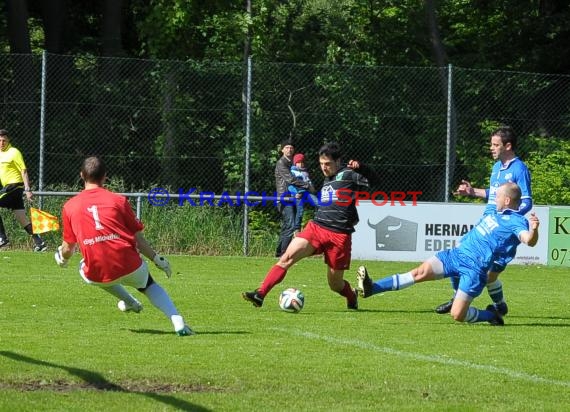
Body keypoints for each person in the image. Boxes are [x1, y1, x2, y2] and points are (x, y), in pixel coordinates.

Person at [356, 182, 539, 326]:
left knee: (458, 315)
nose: (495, 199)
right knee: (418, 273)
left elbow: (528, 240)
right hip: (455, 255)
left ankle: (492, 315)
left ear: (507, 200)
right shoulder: (495, 211)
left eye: (498, 196)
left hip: (474, 269)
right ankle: (373, 288)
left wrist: (534, 230)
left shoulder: (517, 221)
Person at [53, 156, 193, 336]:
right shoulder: (118, 200)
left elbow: (68, 248)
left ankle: (129, 301)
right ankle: (177, 321)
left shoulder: (69, 206)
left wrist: (62, 259)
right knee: (149, 285)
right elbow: (138, 239)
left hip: (98, 271)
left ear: (81, 175)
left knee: (85, 267)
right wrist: (158, 260)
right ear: (105, 176)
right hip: (129, 263)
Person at [243, 142, 378, 310]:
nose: (324, 168)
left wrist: (363, 168)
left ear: (338, 161)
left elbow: (375, 181)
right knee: (287, 257)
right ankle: (260, 294)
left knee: (335, 284)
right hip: (317, 227)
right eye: (321, 164)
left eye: (327, 164)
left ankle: (351, 295)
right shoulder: (328, 179)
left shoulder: (349, 174)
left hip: (339, 236)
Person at [434, 126, 532, 316]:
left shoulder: (519, 169)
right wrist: (472, 192)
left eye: (495, 145)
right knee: (461, 254)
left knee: (489, 273)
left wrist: (506, 217)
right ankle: (458, 297)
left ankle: (497, 305)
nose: (491, 148)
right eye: (492, 144)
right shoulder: (497, 168)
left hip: (500, 228)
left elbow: (527, 201)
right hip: (486, 222)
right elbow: (493, 194)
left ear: (508, 146)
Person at [0, 129, 47, 251]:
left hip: (14, 187)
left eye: (4, 140)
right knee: (22, 218)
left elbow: (23, 170)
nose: (1, 143)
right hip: (9, 189)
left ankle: (2, 238)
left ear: (8, 140)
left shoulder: (14, 152)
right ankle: (40, 243)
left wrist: (27, 189)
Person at [274, 139, 311, 257]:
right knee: (290, 224)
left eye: (291, 147)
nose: (289, 149)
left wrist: (300, 191)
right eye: (287, 147)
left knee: (288, 225)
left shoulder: (293, 163)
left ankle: (279, 252)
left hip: (294, 197)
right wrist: (306, 186)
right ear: (282, 150)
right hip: (285, 198)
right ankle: (284, 253)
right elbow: (290, 179)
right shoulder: (281, 163)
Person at [288, 153, 318, 234]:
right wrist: (295, 193)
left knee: (318, 203)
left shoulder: (305, 172)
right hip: (298, 194)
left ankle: (318, 221)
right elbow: (290, 186)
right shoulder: (292, 172)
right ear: (295, 163)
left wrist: (312, 189)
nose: (301, 164)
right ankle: (297, 229)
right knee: (300, 211)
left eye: (302, 162)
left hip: (306, 193)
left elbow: (309, 182)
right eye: (298, 162)